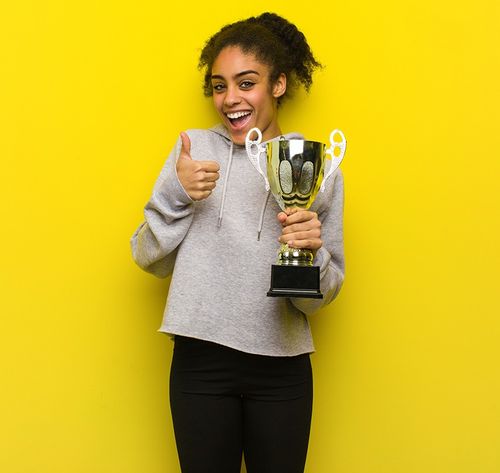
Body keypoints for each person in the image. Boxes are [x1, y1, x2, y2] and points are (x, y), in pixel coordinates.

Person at [131, 12, 345, 473]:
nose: (230, 99)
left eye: (246, 83)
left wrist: (312, 253)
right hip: (199, 360)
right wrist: (178, 194)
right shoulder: (194, 151)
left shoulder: (316, 165)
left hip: (282, 366)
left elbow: (319, 300)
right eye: (218, 85)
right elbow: (147, 257)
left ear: (279, 85)